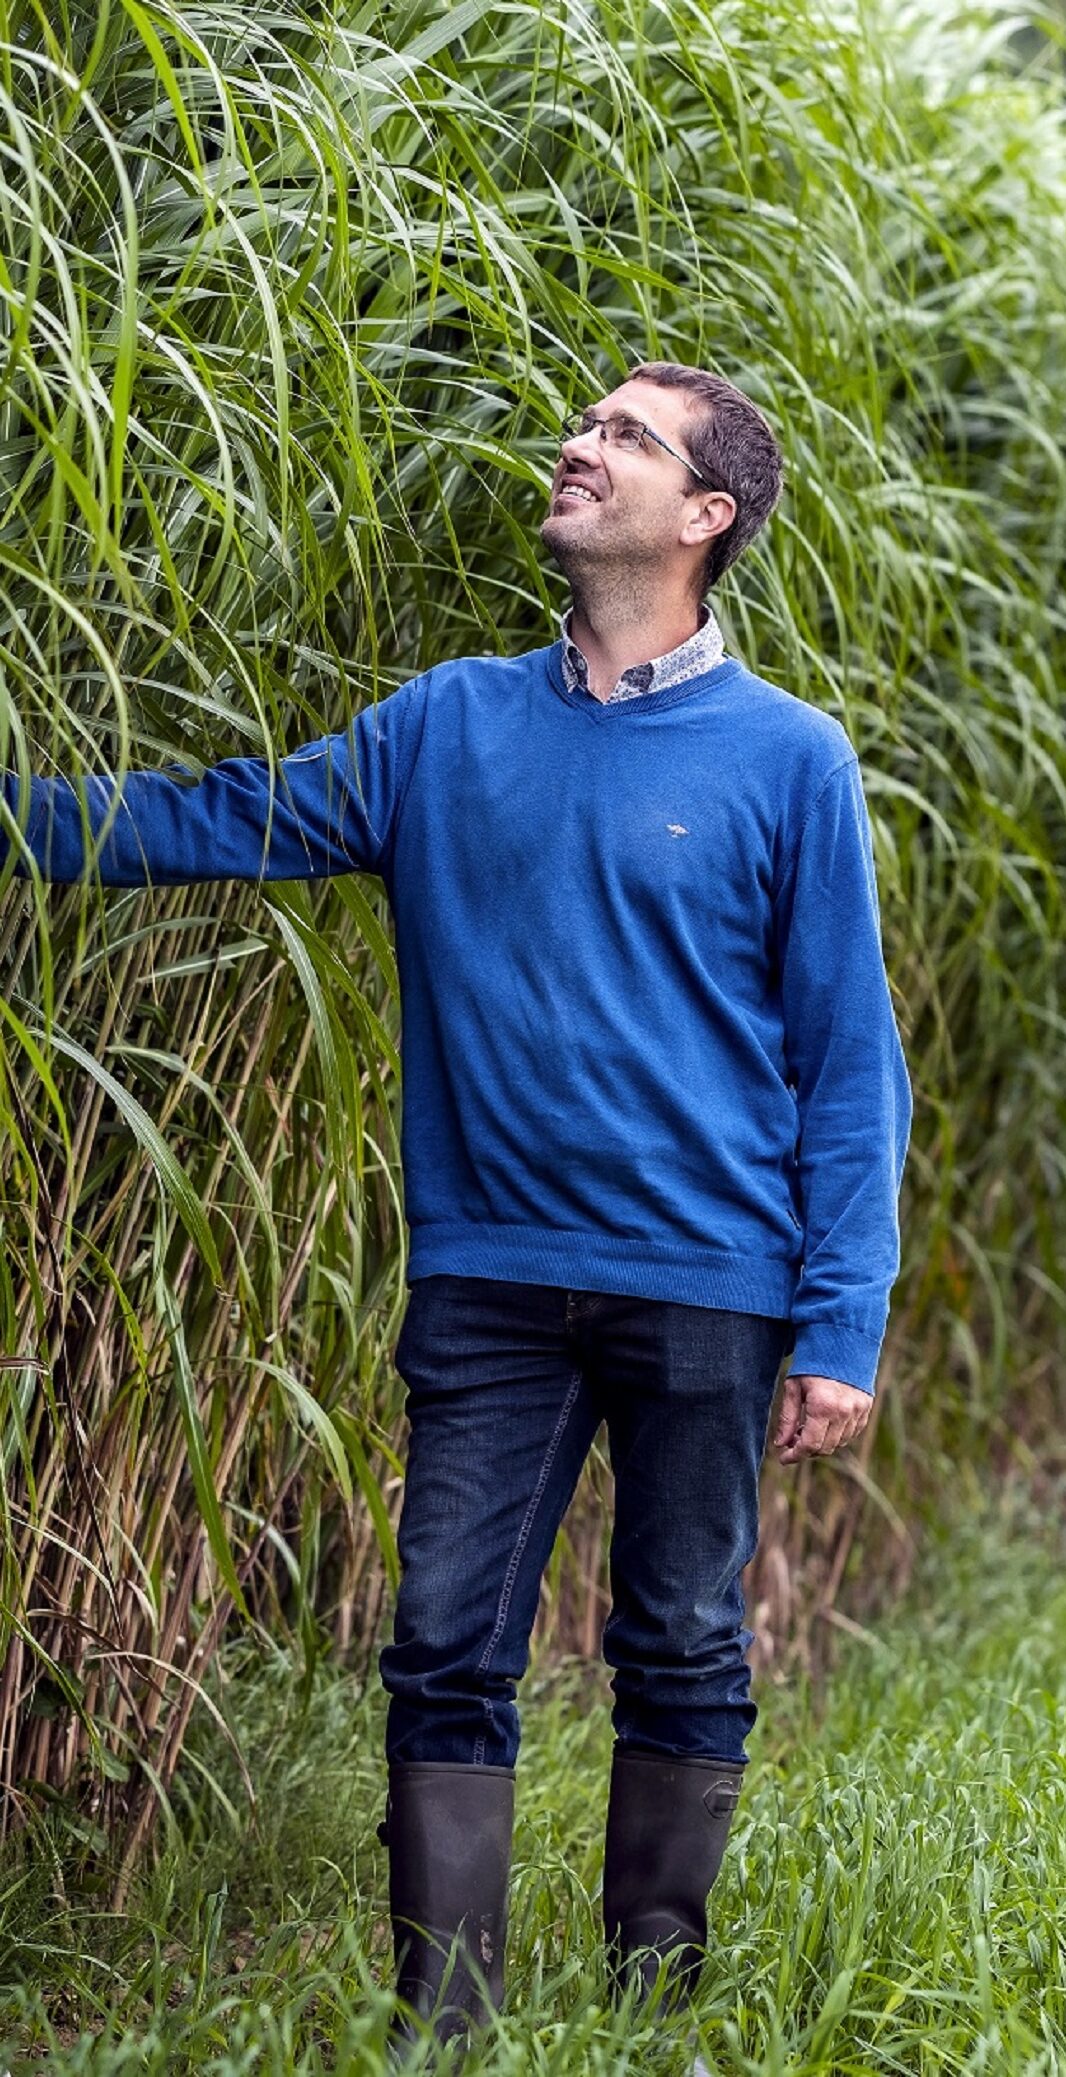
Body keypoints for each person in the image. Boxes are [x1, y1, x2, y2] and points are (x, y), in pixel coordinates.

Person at [1, 362, 913, 2060]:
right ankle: (444, 2022)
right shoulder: (446, 724)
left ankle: (651, 1999)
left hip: (709, 1280)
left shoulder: (792, 761)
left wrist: (840, 1321)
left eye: (628, 437)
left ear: (704, 519)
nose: (580, 445)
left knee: (687, 1638)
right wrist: (18, 818)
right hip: (490, 1279)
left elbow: (850, 1063)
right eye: (590, 423)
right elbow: (231, 816)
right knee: (443, 1646)